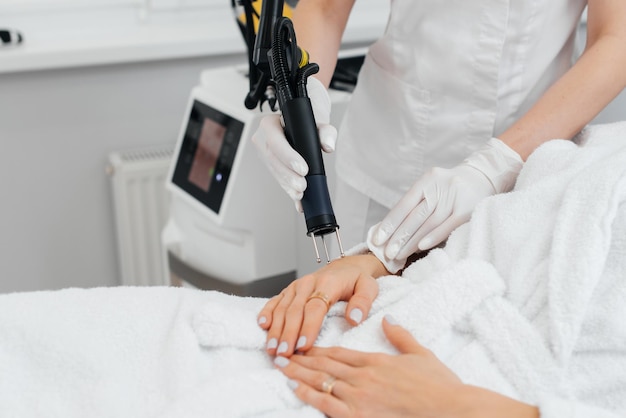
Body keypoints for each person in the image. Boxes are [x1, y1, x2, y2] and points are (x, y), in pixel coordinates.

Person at [253, 0, 626, 355]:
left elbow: (616, 38)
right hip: (385, 165)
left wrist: (498, 163)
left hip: (524, 177)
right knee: (343, 337)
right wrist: (299, 94)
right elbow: (324, 8)